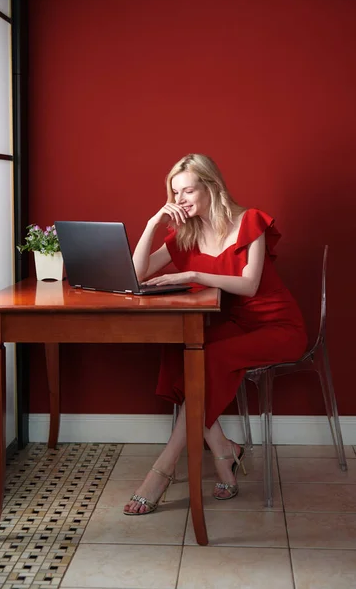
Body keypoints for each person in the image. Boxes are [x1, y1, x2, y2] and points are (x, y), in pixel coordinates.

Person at [123, 153, 307, 515]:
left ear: (211, 186)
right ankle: (224, 448)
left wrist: (193, 276)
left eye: (187, 190)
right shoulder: (186, 234)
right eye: (174, 194)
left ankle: (162, 469)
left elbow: (250, 285)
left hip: (278, 327)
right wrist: (151, 224)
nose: (180, 201)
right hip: (237, 326)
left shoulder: (249, 220)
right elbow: (135, 275)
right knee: (181, 351)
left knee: (209, 357)